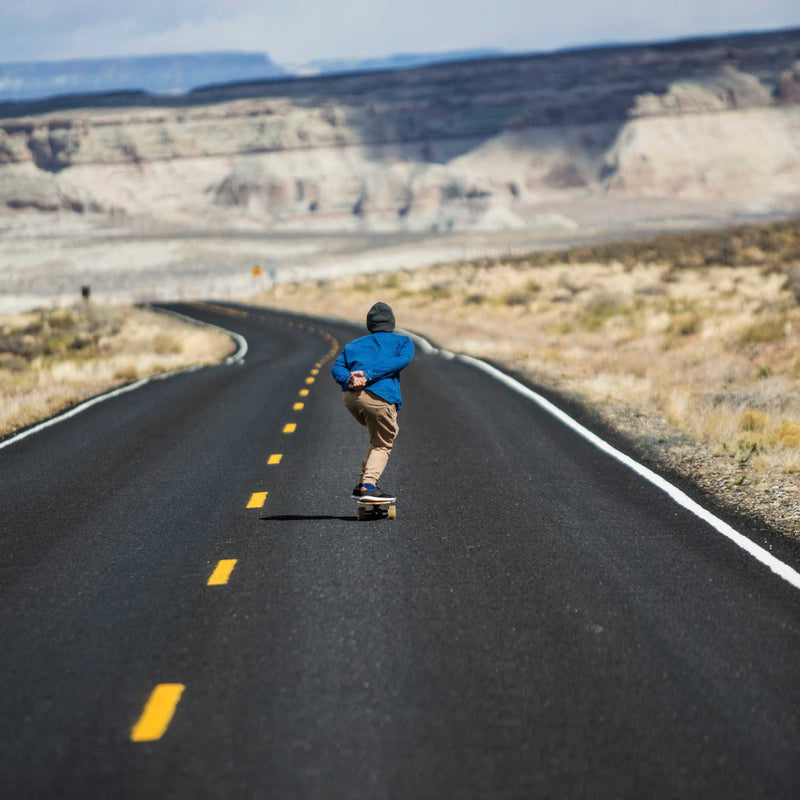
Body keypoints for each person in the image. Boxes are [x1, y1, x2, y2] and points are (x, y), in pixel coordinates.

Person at [331, 301, 414, 502]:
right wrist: (368, 376)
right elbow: (399, 361)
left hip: (351, 398)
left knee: (377, 438)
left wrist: (350, 378)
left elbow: (337, 368)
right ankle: (369, 485)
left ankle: (361, 485)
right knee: (384, 442)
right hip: (379, 398)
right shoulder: (403, 342)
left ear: (370, 325)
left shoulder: (353, 345)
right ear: (391, 323)